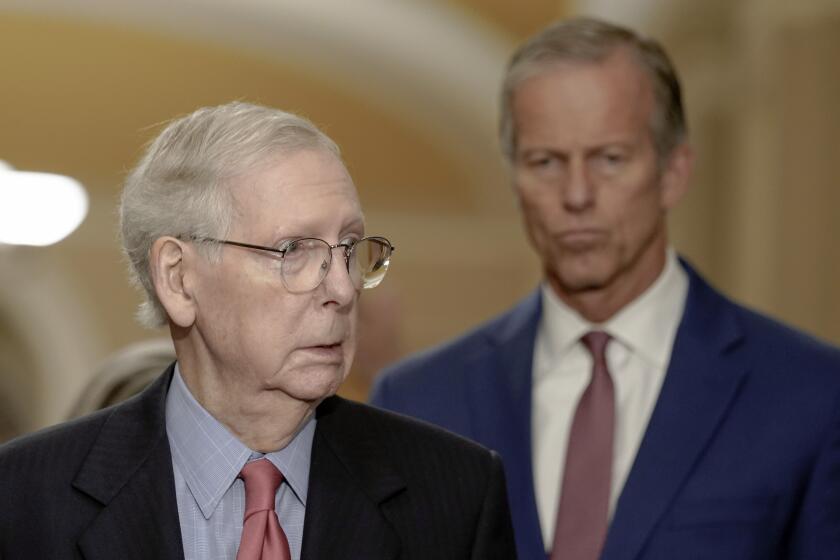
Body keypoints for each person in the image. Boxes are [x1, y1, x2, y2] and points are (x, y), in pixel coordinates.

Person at [370, 17, 840, 560]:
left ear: (674, 171)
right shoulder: (419, 401)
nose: (576, 194)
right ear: (514, 180)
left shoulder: (809, 398)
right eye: (545, 162)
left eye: (609, 159)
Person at [0, 102, 516, 559]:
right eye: (294, 250)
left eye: (350, 246)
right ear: (179, 279)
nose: (342, 286)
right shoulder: (23, 497)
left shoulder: (455, 493)